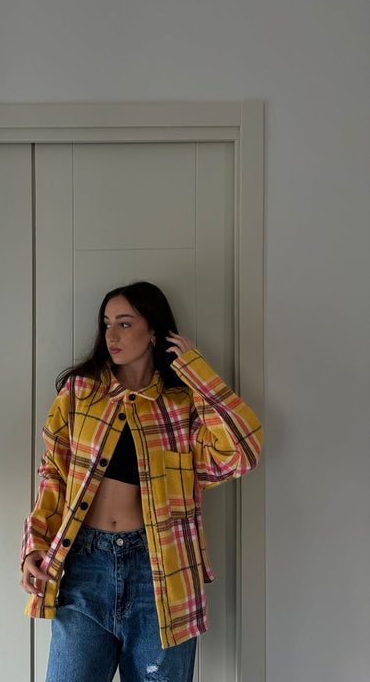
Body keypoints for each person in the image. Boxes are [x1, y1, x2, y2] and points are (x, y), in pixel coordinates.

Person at [20, 281, 263, 682]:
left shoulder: (182, 404)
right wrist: (36, 542)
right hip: (85, 568)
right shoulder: (81, 392)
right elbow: (54, 473)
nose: (111, 336)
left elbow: (243, 450)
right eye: (106, 323)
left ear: (154, 331)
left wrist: (196, 372)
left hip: (161, 573)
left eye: (125, 323)